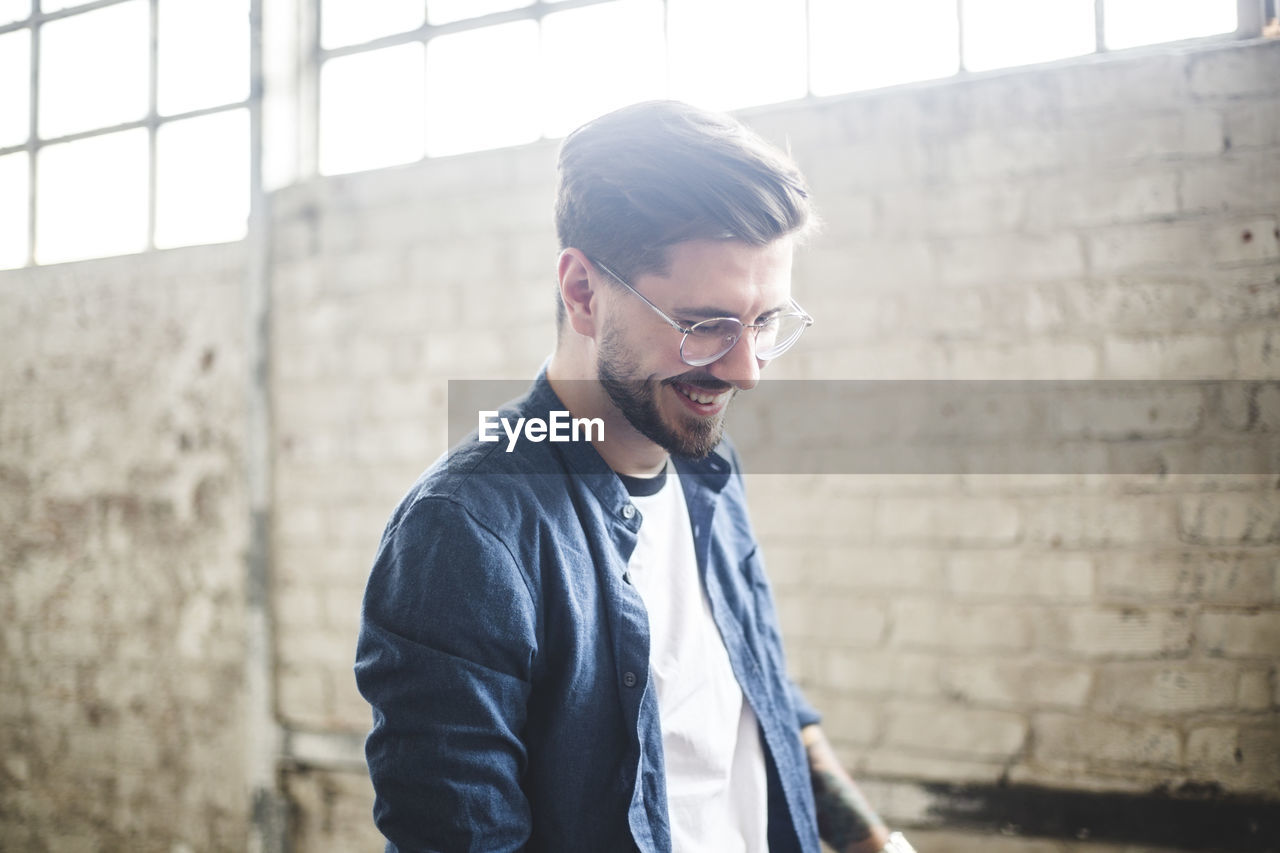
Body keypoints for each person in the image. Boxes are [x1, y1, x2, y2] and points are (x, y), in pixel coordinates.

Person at [354, 100, 917, 853]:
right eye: (704, 325)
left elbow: (760, 696)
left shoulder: (706, 465)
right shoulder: (464, 534)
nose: (746, 370)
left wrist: (875, 842)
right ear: (583, 292)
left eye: (765, 323)